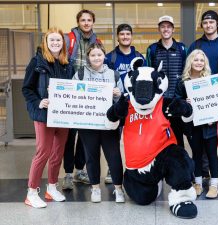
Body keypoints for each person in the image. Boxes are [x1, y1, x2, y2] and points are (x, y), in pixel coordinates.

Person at [22, 27, 73, 208]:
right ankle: (31, 192)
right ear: (46, 42)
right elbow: (26, 89)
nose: (55, 43)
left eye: (58, 40)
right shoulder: (37, 62)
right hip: (44, 115)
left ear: (63, 43)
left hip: (62, 116)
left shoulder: (68, 63)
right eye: (52, 40)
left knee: (57, 153)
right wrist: (39, 102)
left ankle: (51, 188)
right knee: (43, 152)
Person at [73, 42, 125, 203]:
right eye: (93, 55)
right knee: (91, 156)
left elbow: (121, 101)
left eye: (99, 55)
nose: (96, 58)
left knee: (114, 156)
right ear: (88, 57)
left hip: (109, 124)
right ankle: (95, 188)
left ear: (104, 56)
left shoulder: (113, 74)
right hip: (88, 124)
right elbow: (72, 95)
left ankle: (118, 188)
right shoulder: (80, 74)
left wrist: (118, 94)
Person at [188, 10, 218, 185]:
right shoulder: (196, 45)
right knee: (204, 135)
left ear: (217, 24)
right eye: (205, 23)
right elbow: (189, 69)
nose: (208, 25)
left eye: (211, 22)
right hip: (202, 97)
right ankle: (205, 169)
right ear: (202, 25)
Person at [62, 9, 100, 189]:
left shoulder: (97, 42)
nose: (86, 23)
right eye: (83, 20)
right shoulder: (68, 39)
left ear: (93, 22)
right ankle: (68, 174)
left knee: (85, 137)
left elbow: (100, 64)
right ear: (78, 22)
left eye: (89, 20)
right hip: (71, 92)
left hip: (88, 95)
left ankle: (79, 170)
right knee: (69, 136)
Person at [104, 23, 146, 184]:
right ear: (118, 37)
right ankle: (111, 168)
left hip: (135, 105)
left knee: (135, 137)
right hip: (117, 104)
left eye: (128, 34)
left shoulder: (139, 57)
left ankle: (135, 166)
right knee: (113, 138)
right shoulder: (110, 57)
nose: (125, 37)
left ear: (131, 36)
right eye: (122, 34)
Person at [175, 49, 218, 199]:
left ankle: (214, 186)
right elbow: (177, 101)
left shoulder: (210, 80)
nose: (199, 63)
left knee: (212, 154)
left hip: (209, 124)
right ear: (190, 62)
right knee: (197, 154)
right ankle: (198, 183)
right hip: (192, 126)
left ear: (205, 63)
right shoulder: (183, 82)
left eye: (202, 60)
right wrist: (184, 103)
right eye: (196, 60)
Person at [146, 15, 187, 147]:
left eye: (168, 26)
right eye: (163, 26)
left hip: (177, 100)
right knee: (159, 138)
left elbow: (187, 73)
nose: (166, 29)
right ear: (159, 29)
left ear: (173, 29)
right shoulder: (152, 49)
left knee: (178, 138)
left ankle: (179, 166)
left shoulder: (182, 49)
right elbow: (148, 75)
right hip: (160, 102)